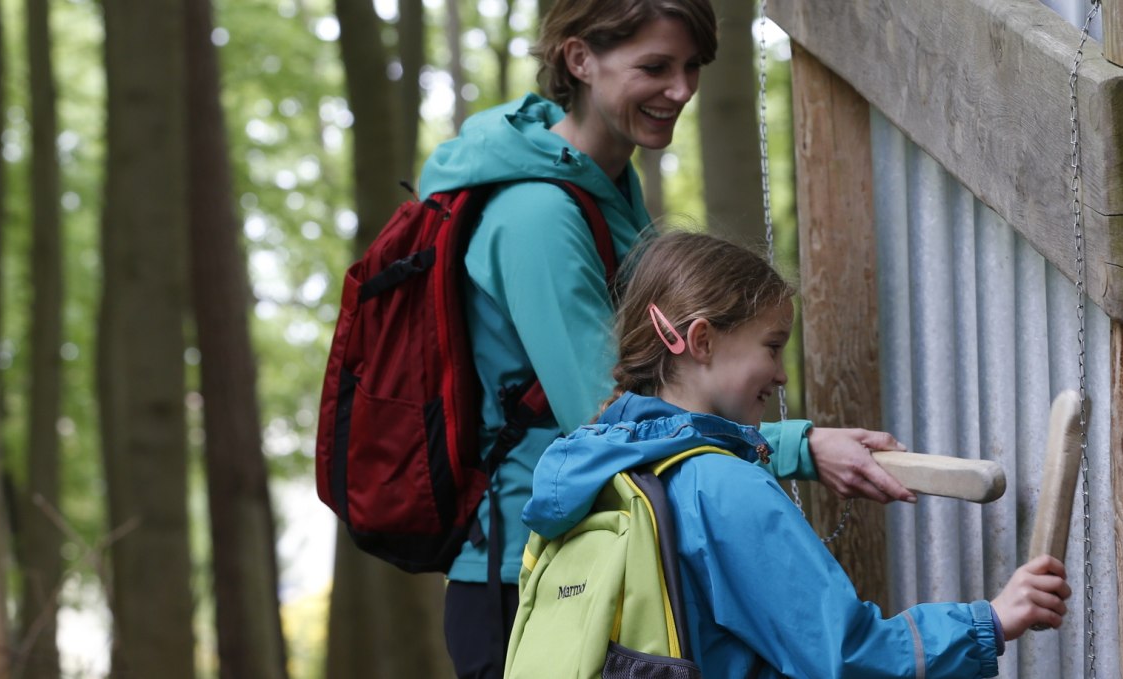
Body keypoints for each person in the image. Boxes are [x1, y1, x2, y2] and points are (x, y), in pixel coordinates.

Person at [412, 0, 914, 675]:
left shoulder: (606, 189)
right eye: (654, 66)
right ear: (579, 58)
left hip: (602, 555)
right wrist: (800, 446)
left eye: (692, 66)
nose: (680, 89)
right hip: (534, 580)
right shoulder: (538, 217)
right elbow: (608, 419)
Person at [523, 231, 1073, 677]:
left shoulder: (599, 471)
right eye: (772, 345)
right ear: (702, 340)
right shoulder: (721, 486)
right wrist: (992, 620)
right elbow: (844, 656)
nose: (783, 374)